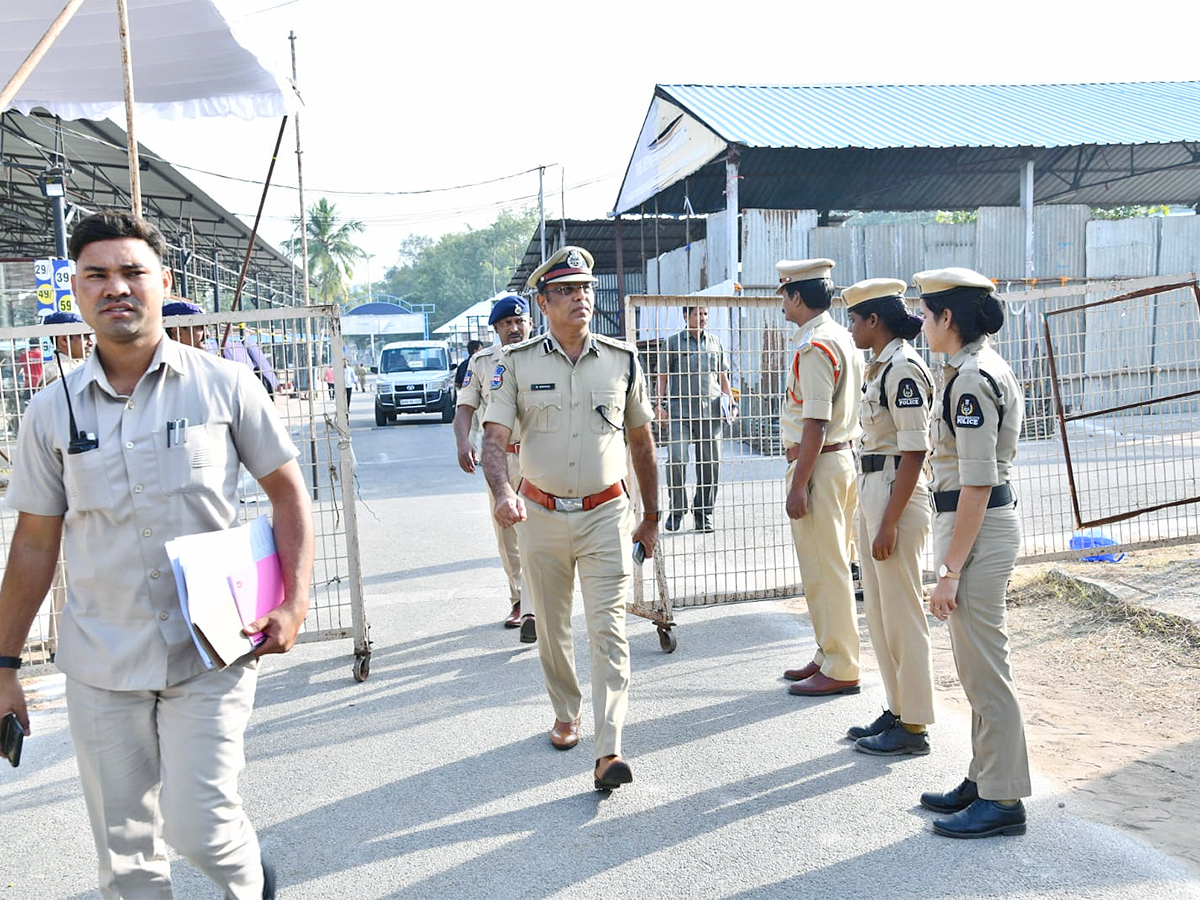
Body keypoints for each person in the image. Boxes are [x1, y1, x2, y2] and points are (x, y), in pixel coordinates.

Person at [0, 209, 315, 898]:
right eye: (98, 276)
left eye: (132, 272)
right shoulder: (50, 413)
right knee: (126, 853)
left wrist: (293, 601)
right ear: (77, 293)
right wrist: (4, 664)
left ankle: (249, 883)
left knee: (200, 826)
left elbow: (289, 495)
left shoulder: (224, 386)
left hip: (213, 649)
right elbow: (31, 544)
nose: (117, 287)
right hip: (100, 659)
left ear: (160, 282)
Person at [482, 245, 659, 791]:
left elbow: (642, 443)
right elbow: (494, 442)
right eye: (566, 291)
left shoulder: (623, 360)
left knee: (610, 629)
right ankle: (566, 709)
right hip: (539, 515)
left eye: (585, 288)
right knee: (554, 630)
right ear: (543, 302)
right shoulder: (514, 365)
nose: (580, 298)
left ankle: (610, 749)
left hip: (606, 513)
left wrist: (652, 515)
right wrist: (502, 493)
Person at [913, 267, 1031, 839]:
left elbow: (978, 482)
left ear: (948, 318)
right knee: (975, 666)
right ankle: (983, 777)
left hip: (976, 530)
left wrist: (950, 572)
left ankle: (1003, 798)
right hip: (974, 524)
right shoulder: (973, 367)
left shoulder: (970, 378)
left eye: (926, 313)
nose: (920, 322)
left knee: (987, 671)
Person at [842, 278, 936, 755]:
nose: (852, 327)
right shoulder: (879, 365)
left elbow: (916, 451)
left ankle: (915, 724)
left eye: (856, 319)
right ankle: (898, 708)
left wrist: (889, 521)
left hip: (897, 491)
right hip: (874, 486)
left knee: (903, 613)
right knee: (879, 614)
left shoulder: (902, 368)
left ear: (875, 321)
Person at [776, 258, 866, 698]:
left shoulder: (815, 345)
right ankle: (828, 652)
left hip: (819, 463)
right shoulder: (841, 337)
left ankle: (843, 665)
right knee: (825, 566)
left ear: (797, 296)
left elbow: (815, 421)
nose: (783, 303)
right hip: (837, 461)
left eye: (785, 295)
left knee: (825, 570)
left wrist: (798, 484)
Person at [454, 294, 536, 641]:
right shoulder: (481, 362)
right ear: (496, 329)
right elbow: (464, 408)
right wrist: (462, 442)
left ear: (530, 323)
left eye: (520, 322)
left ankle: (537, 602)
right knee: (508, 533)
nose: (514, 329)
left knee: (543, 529)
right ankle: (520, 600)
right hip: (500, 459)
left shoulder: (547, 355)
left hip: (541, 456)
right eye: (506, 324)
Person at [655, 306, 736, 533]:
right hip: (680, 413)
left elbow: (722, 378)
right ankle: (677, 509)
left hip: (710, 414)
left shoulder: (715, 343)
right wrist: (659, 405)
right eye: (696, 314)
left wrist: (730, 402)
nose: (701, 318)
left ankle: (703, 513)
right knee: (677, 458)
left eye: (705, 314)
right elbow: (662, 376)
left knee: (710, 464)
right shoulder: (672, 343)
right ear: (685, 316)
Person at [40, 310, 94, 384]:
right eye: (84, 337)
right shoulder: (59, 372)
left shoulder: (75, 366)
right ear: (64, 340)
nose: (90, 342)